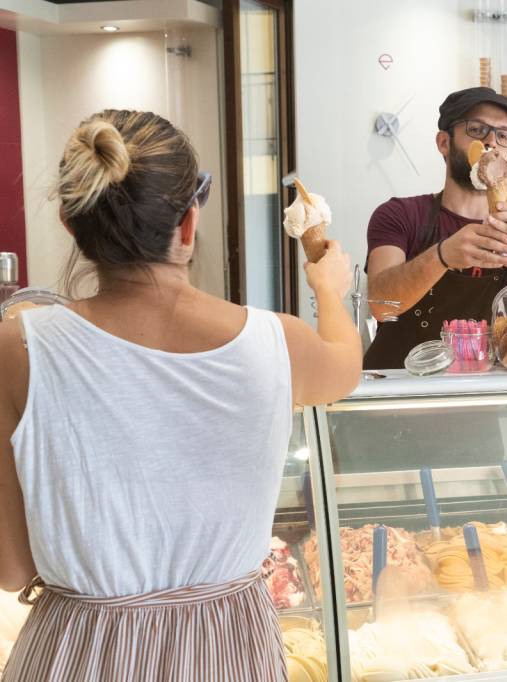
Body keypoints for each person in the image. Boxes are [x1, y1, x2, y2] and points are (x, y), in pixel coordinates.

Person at [0, 110, 362, 680]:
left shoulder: (18, 348)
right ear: (189, 224)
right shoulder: (278, 342)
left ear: (72, 225)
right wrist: (329, 288)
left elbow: (13, 567)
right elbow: (346, 367)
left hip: (79, 651)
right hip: (229, 648)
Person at [362, 87, 507, 369]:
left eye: (504, 135)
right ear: (444, 142)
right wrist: (442, 256)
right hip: (401, 393)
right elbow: (382, 305)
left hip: (480, 397)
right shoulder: (400, 215)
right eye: (477, 129)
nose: (491, 143)